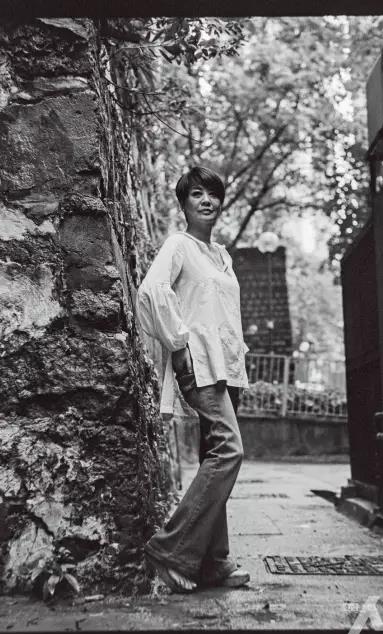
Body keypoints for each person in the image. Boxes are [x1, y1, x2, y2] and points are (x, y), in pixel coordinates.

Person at [136, 166, 250, 593]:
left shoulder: (222, 256)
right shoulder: (178, 245)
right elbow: (151, 290)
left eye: (213, 194)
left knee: (212, 456)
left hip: (226, 368)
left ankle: (214, 562)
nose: (207, 201)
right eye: (197, 194)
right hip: (198, 363)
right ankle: (172, 548)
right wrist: (177, 341)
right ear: (184, 204)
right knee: (229, 449)